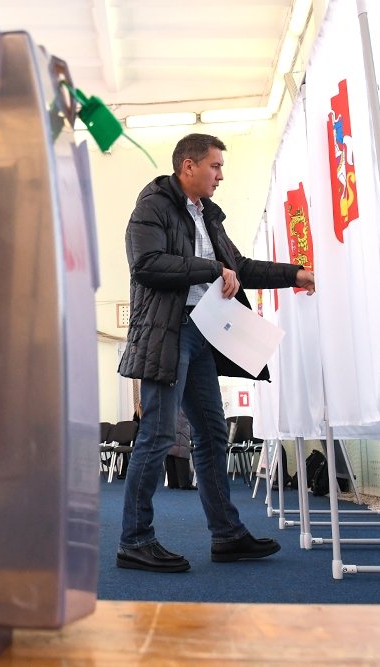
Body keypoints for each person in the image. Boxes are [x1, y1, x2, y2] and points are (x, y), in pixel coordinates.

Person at [116, 133, 315, 573]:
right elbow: (146, 265)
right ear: (188, 166)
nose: (221, 175)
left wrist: (296, 275)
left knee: (211, 434)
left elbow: (238, 269)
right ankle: (134, 540)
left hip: (203, 333)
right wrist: (210, 269)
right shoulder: (152, 206)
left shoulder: (208, 215)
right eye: (215, 166)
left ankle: (227, 534)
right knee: (158, 436)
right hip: (168, 334)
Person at [164, 409, 195, 490]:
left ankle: (173, 482)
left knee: (170, 453)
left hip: (169, 432)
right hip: (181, 432)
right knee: (181, 452)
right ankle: (184, 483)